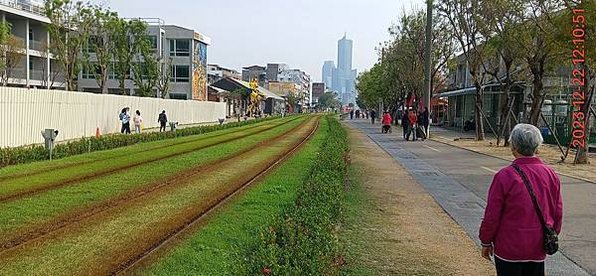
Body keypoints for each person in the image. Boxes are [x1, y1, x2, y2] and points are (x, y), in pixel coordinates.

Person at [479, 124, 563, 276]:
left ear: (514, 147)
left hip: (509, 247)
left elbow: (492, 215)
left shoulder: (504, 176)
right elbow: (557, 211)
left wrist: (486, 240)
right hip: (537, 246)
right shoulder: (551, 175)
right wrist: (552, 234)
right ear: (537, 146)